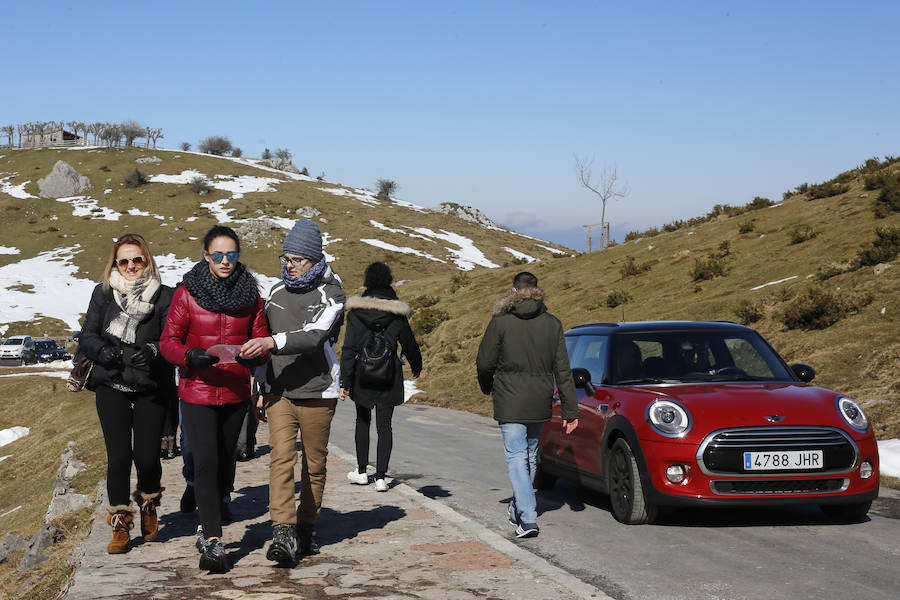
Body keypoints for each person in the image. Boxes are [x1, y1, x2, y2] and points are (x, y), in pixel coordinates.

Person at [160, 226, 270, 572]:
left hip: (236, 392)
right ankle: (211, 540)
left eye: (232, 255)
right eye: (218, 255)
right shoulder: (186, 294)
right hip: (197, 390)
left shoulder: (252, 296)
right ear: (206, 255)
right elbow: (168, 342)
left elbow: (262, 339)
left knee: (223, 461)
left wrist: (255, 354)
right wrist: (189, 356)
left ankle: (212, 514)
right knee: (205, 461)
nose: (225, 261)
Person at [242, 219, 346, 565]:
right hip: (279, 393)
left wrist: (273, 341)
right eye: (285, 258)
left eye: (298, 259)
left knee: (314, 466)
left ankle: (306, 528)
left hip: (318, 392)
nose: (290, 265)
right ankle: (282, 532)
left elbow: (316, 335)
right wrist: (259, 385)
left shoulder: (332, 292)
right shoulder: (274, 292)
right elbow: (261, 344)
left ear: (315, 260)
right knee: (281, 458)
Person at [78, 233, 175, 554]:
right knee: (119, 456)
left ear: (148, 261)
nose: (132, 266)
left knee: (147, 458)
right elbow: (88, 335)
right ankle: (120, 522)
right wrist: (105, 353)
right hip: (111, 383)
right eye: (125, 261)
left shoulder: (164, 296)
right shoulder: (103, 294)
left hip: (151, 386)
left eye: (138, 260)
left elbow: (172, 340)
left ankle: (149, 503)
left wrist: (152, 350)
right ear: (115, 264)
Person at [475, 271, 579, 539]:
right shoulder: (552, 323)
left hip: (509, 398)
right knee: (529, 455)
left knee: (516, 456)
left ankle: (528, 519)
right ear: (537, 291)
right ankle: (519, 507)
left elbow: (484, 361)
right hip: (539, 398)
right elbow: (563, 370)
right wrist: (570, 409)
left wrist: (488, 386)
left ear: (513, 291)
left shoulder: (501, 322)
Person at [339, 262, 422, 492]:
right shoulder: (397, 312)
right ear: (388, 281)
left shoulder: (356, 312)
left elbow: (349, 349)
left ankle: (362, 472)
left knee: (362, 421)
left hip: (361, 375)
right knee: (385, 426)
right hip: (389, 374)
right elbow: (409, 343)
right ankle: (382, 478)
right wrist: (417, 366)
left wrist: (344, 382)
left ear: (367, 281)